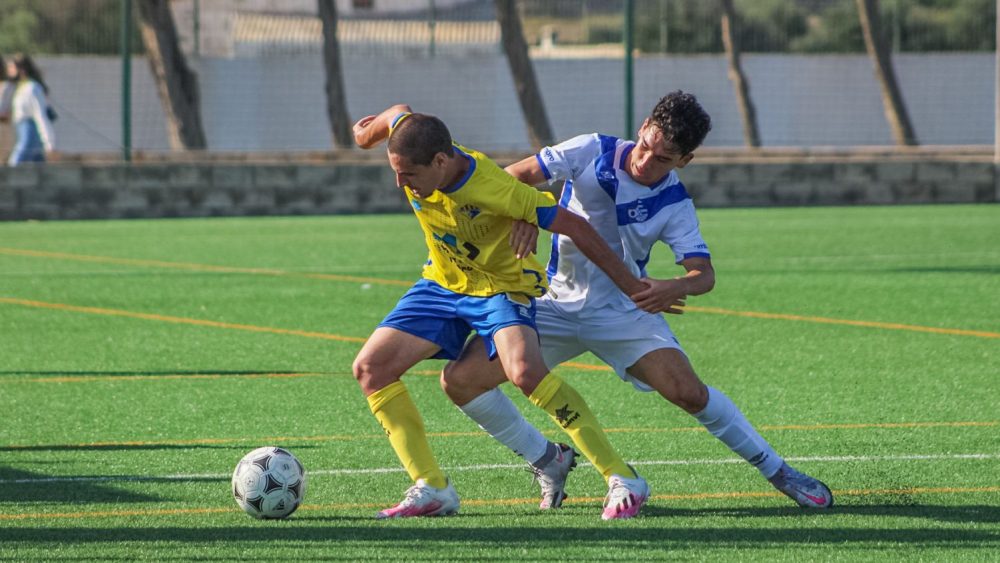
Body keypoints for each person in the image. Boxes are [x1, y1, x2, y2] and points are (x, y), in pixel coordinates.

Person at [440, 91, 834, 514]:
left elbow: (705, 274)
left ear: (685, 161)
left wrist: (675, 286)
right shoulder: (590, 148)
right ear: (643, 125)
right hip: (548, 303)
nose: (646, 161)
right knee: (460, 380)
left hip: (624, 312)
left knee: (689, 393)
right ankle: (546, 459)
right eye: (646, 145)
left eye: (663, 158)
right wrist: (523, 214)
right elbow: (508, 178)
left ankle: (778, 471)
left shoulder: (675, 203)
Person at [351, 104, 654, 520]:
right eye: (395, 171)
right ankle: (433, 488)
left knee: (526, 372)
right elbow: (396, 115)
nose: (400, 182)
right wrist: (365, 136)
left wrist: (632, 287)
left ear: (440, 161)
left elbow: (577, 227)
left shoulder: (496, 188)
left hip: (501, 287)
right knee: (371, 368)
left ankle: (622, 477)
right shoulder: (411, 134)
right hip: (443, 281)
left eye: (408, 175)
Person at [5, 53, 55, 166]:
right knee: (39, 170)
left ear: (21, 69)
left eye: (12, 67)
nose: (9, 70)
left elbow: (40, 115)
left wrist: (49, 142)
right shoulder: (20, 87)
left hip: (30, 133)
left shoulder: (32, 88)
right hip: (23, 130)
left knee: (14, 165)